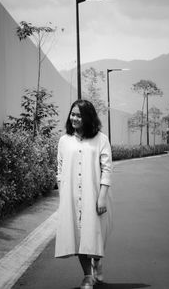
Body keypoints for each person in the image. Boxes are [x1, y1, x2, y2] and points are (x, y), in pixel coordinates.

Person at [55, 99, 113, 289]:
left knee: (95, 235)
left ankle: (97, 261)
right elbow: (60, 169)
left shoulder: (101, 139)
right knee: (79, 237)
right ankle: (88, 276)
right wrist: (63, 196)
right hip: (71, 197)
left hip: (94, 195)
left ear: (88, 117)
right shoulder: (64, 141)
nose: (74, 118)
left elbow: (107, 169)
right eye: (72, 114)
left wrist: (102, 196)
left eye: (79, 115)